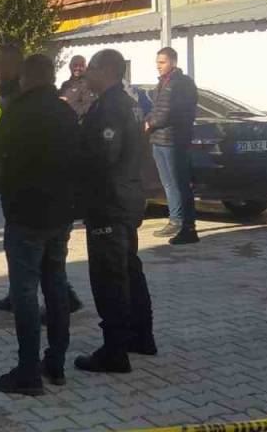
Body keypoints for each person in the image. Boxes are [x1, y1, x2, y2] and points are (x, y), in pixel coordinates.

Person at [0, 55, 78, 395]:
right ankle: (56, 362)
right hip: (61, 215)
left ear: (27, 79)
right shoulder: (65, 112)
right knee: (56, 286)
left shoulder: (21, 113)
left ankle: (28, 372)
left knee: (25, 292)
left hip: (27, 215)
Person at [76, 49, 155, 374]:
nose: (85, 76)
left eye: (90, 69)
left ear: (105, 70)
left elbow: (103, 158)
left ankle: (114, 350)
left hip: (109, 202)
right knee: (129, 269)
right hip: (128, 197)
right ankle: (140, 336)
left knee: (110, 276)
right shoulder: (130, 104)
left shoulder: (110, 107)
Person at [146, 47, 200, 245]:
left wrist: (149, 123)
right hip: (159, 139)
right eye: (157, 62)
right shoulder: (163, 82)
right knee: (169, 183)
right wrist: (148, 119)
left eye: (162, 62)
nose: (158, 66)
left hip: (174, 140)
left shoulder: (181, 83)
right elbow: (156, 108)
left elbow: (168, 111)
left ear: (173, 62)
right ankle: (176, 220)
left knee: (180, 183)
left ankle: (188, 226)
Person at [59, 55, 95, 119]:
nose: (78, 68)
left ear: (86, 67)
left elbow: (88, 108)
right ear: (70, 66)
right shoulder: (65, 85)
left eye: (81, 66)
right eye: (75, 65)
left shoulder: (90, 85)